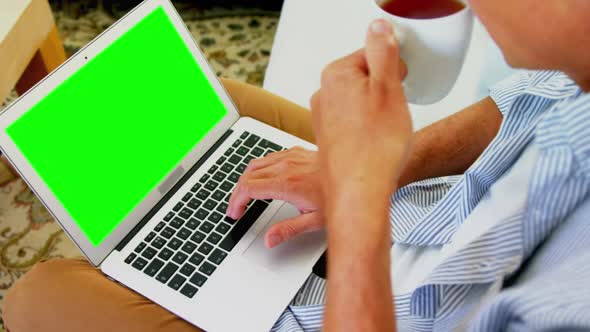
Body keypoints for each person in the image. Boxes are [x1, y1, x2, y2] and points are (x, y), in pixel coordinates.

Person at [4, 0, 590, 331]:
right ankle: (150, 248)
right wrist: (384, 166)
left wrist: (358, 197)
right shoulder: (577, 66)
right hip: (427, 205)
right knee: (218, 110)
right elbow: (521, 102)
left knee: (37, 296)